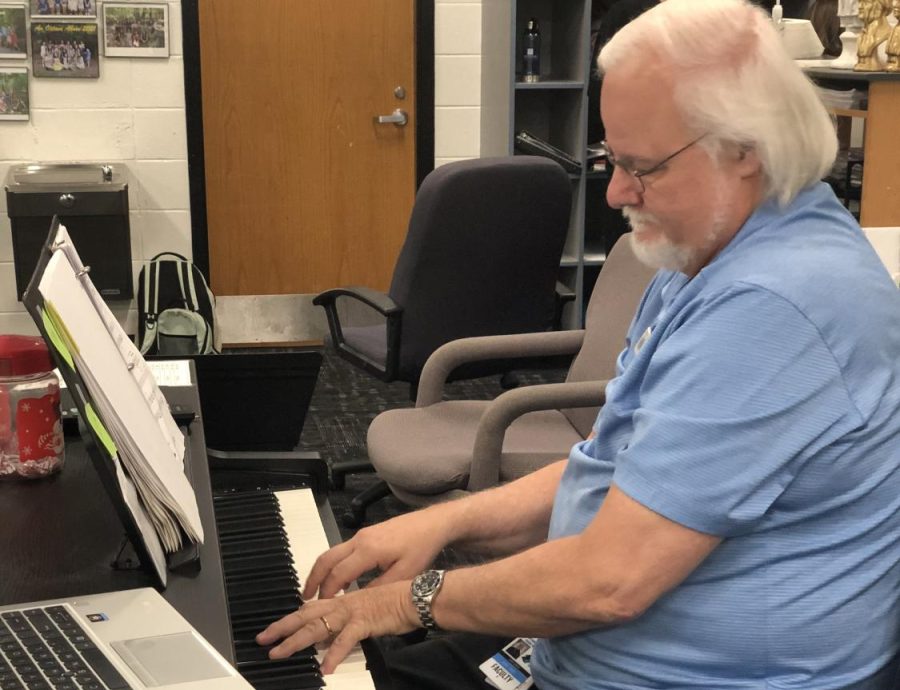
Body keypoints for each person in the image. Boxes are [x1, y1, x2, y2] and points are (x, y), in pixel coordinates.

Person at [257, 1, 900, 688]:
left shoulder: (774, 304)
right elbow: (607, 464)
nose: (617, 190)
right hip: (585, 649)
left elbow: (608, 583)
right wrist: (444, 526)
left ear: (746, 151)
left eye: (641, 166)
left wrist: (412, 599)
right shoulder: (705, 254)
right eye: (610, 158)